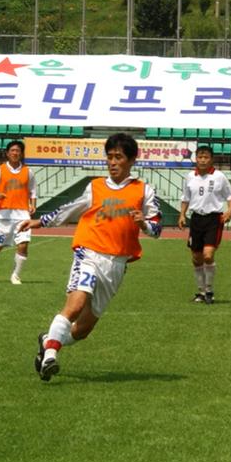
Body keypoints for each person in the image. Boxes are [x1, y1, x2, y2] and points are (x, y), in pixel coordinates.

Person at [18, 133, 162, 382]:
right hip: (89, 252)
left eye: (119, 157)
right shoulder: (95, 187)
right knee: (74, 304)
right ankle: (51, 356)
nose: (113, 162)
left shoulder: (144, 190)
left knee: (82, 330)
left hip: (116, 264)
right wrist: (40, 221)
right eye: (110, 157)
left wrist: (145, 225)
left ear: (131, 160)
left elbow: (157, 227)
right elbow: (70, 208)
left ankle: (47, 340)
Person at [177, 144, 231, 304]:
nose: (202, 160)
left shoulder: (219, 177)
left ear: (211, 159)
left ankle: (209, 290)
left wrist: (229, 211)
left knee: (208, 255)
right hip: (196, 219)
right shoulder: (190, 176)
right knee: (196, 258)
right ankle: (201, 292)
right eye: (200, 157)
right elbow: (185, 198)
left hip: (213, 219)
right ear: (196, 158)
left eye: (206, 157)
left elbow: (230, 196)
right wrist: (182, 215)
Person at [0, 139, 37, 285]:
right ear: (7, 153)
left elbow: (33, 191)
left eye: (18, 151)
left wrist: (33, 205)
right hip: (4, 215)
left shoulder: (28, 172)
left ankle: (15, 275)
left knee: (23, 244)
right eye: (12, 150)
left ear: (21, 154)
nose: (15, 153)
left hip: (23, 215)